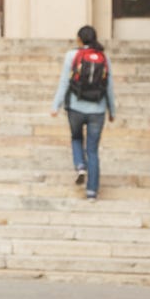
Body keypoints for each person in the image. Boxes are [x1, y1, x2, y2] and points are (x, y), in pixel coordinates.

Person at [51, 25, 116, 200]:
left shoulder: (72, 55)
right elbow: (109, 87)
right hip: (98, 109)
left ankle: (80, 165)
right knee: (93, 150)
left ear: (79, 39)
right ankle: (92, 192)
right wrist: (112, 110)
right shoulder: (103, 57)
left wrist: (56, 105)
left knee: (76, 138)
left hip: (75, 107)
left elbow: (64, 82)